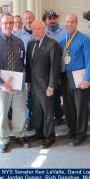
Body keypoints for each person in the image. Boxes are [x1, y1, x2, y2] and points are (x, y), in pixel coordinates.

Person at [0, 12, 28, 153]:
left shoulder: (19, 42)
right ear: (0, 24)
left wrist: (23, 79)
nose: (8, 25)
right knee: (2, 113)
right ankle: (3, 139)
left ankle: (20, 135)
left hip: (18, 84)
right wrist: (1, 82)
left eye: (11, 23)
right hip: (0, 86)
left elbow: (22, 63)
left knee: (20, 111)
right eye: (5, 23)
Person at [58, 13, 90, 147]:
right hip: (65, 77)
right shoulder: (61, 39)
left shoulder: (84, 39)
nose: (69, 24)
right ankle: (72, 130)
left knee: (80, 107)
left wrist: (87, 79)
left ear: (76, 24)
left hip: (79, 77)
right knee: (68, 106)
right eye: (67, 22)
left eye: (72, 22)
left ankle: (81, 134)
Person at [25, 20, 61, 149]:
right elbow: (29, 66)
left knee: (48, 112)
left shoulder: (52, 44)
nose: (35, 31)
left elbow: (55, 68)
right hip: (34, 86)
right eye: (33, 29)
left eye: (38, 29)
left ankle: (49, 136)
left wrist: (51, 86)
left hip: (47, 87)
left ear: (44, 29)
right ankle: (39, 133)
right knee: (37, 111)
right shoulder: (30, 44)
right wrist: (28, 81)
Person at [42, 10, 65, 125]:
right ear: (45, 20)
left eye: (54, 18)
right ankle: (58, 116)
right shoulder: (43, 32)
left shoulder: (64, 30)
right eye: (49, 18)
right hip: (50, 68)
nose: (52, 20)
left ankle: (69, 115)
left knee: (65, 92)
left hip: (63, 66)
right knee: (53, 93)